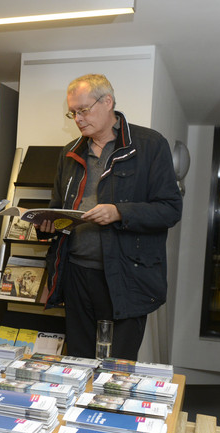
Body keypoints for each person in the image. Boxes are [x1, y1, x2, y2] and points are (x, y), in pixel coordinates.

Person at [38, 74, 182, 361]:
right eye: (73, 112)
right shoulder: (69, 153)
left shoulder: (150, 145)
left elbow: (170, 208)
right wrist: (47, 223)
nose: (77, 119)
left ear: (107, 102)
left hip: (126, 276)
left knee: (116, 369)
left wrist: (119, 212)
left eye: (83, 110)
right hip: (76, 274)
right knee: (78, 362)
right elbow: (58, 205)